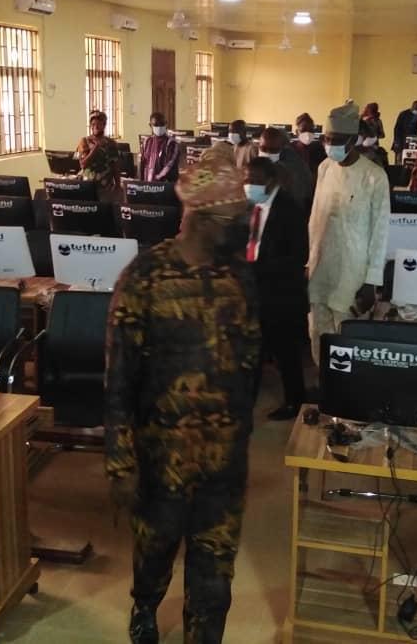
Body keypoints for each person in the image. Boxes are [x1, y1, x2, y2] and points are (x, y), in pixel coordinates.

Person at [105, 149, 259, 644]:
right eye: (234, 221)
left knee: (215, 576)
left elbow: (251, 363)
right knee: (155, 551)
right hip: (161, 457)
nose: (243, 229)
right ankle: (145, 606)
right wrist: (120, 462)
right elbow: (118, 376)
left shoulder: (240, 278)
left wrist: (241, 433)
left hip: (224, 461)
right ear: (203, 220)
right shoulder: (144, 277)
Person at [307, 102, 390, 366]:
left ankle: (342, 387)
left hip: (353, 273)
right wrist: (309, 263)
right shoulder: (324, 168)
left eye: (337, 140)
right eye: (327, 139)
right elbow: (315, 219)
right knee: (318, 333)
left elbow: (380, 232)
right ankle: (322, 382)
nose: (330, 145)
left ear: (353, 140)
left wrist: (371, 281)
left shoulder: (374, 176)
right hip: (321, 267)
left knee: (346, 343)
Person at [245, 157, 309, 420]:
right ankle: (245, 400)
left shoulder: (290, 210)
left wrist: (256, 268)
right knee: (252, 350)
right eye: (247, 179)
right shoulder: (251, 206)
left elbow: (298, 256)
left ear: (271, 182)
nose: (249, 185)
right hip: (254, 291)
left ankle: (295, 401)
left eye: (255, 181)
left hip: (282, 294)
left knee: (286, 353)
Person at [257, 126, 312, 211]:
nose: (267, 153)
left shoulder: (292, 167)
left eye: (273, 150)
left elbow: (297, 198)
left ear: (283, 147)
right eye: (263, 149)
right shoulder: (266, 162)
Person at [75, 110, 121, 201]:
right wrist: (95, 149)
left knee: (104, 208)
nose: (95, 126)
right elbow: (83, 164)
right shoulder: (84, 141)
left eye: (99, 124)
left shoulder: (111, 143)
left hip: (106, 187)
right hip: (88, 185)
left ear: (104, 125)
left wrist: (118, 185)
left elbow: (115, 166)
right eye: (93, 124)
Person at [140, 112, 180, 182]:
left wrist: (158, 177)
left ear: (166, 124)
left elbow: (169, 165)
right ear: (150, 125)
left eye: (162, 124)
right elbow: (143, 163)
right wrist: (141, 183)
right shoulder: (147, 142)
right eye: (156, 125)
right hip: (148, 184)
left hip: (165, 184)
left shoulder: (171, 143)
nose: (159, 127)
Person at [292, 113, 326, 184]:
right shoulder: (290, 150)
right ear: (297, 132)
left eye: (311, 130)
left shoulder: (320, 149)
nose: (307, 134)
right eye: (303, 130)